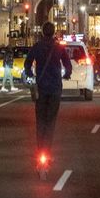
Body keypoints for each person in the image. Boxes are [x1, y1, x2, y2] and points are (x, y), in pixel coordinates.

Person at [24, 22, 72, 179]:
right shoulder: (59, 47)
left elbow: (27, 64)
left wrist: (31, 75)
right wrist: (65, 75)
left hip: (41, 88)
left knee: (41, 122)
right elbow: (68, 65)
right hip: (55, 89)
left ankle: (40, 154)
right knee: (51, 122)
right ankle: (47, 153)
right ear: (53, 32)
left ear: (43, 33)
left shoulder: (37, 47)